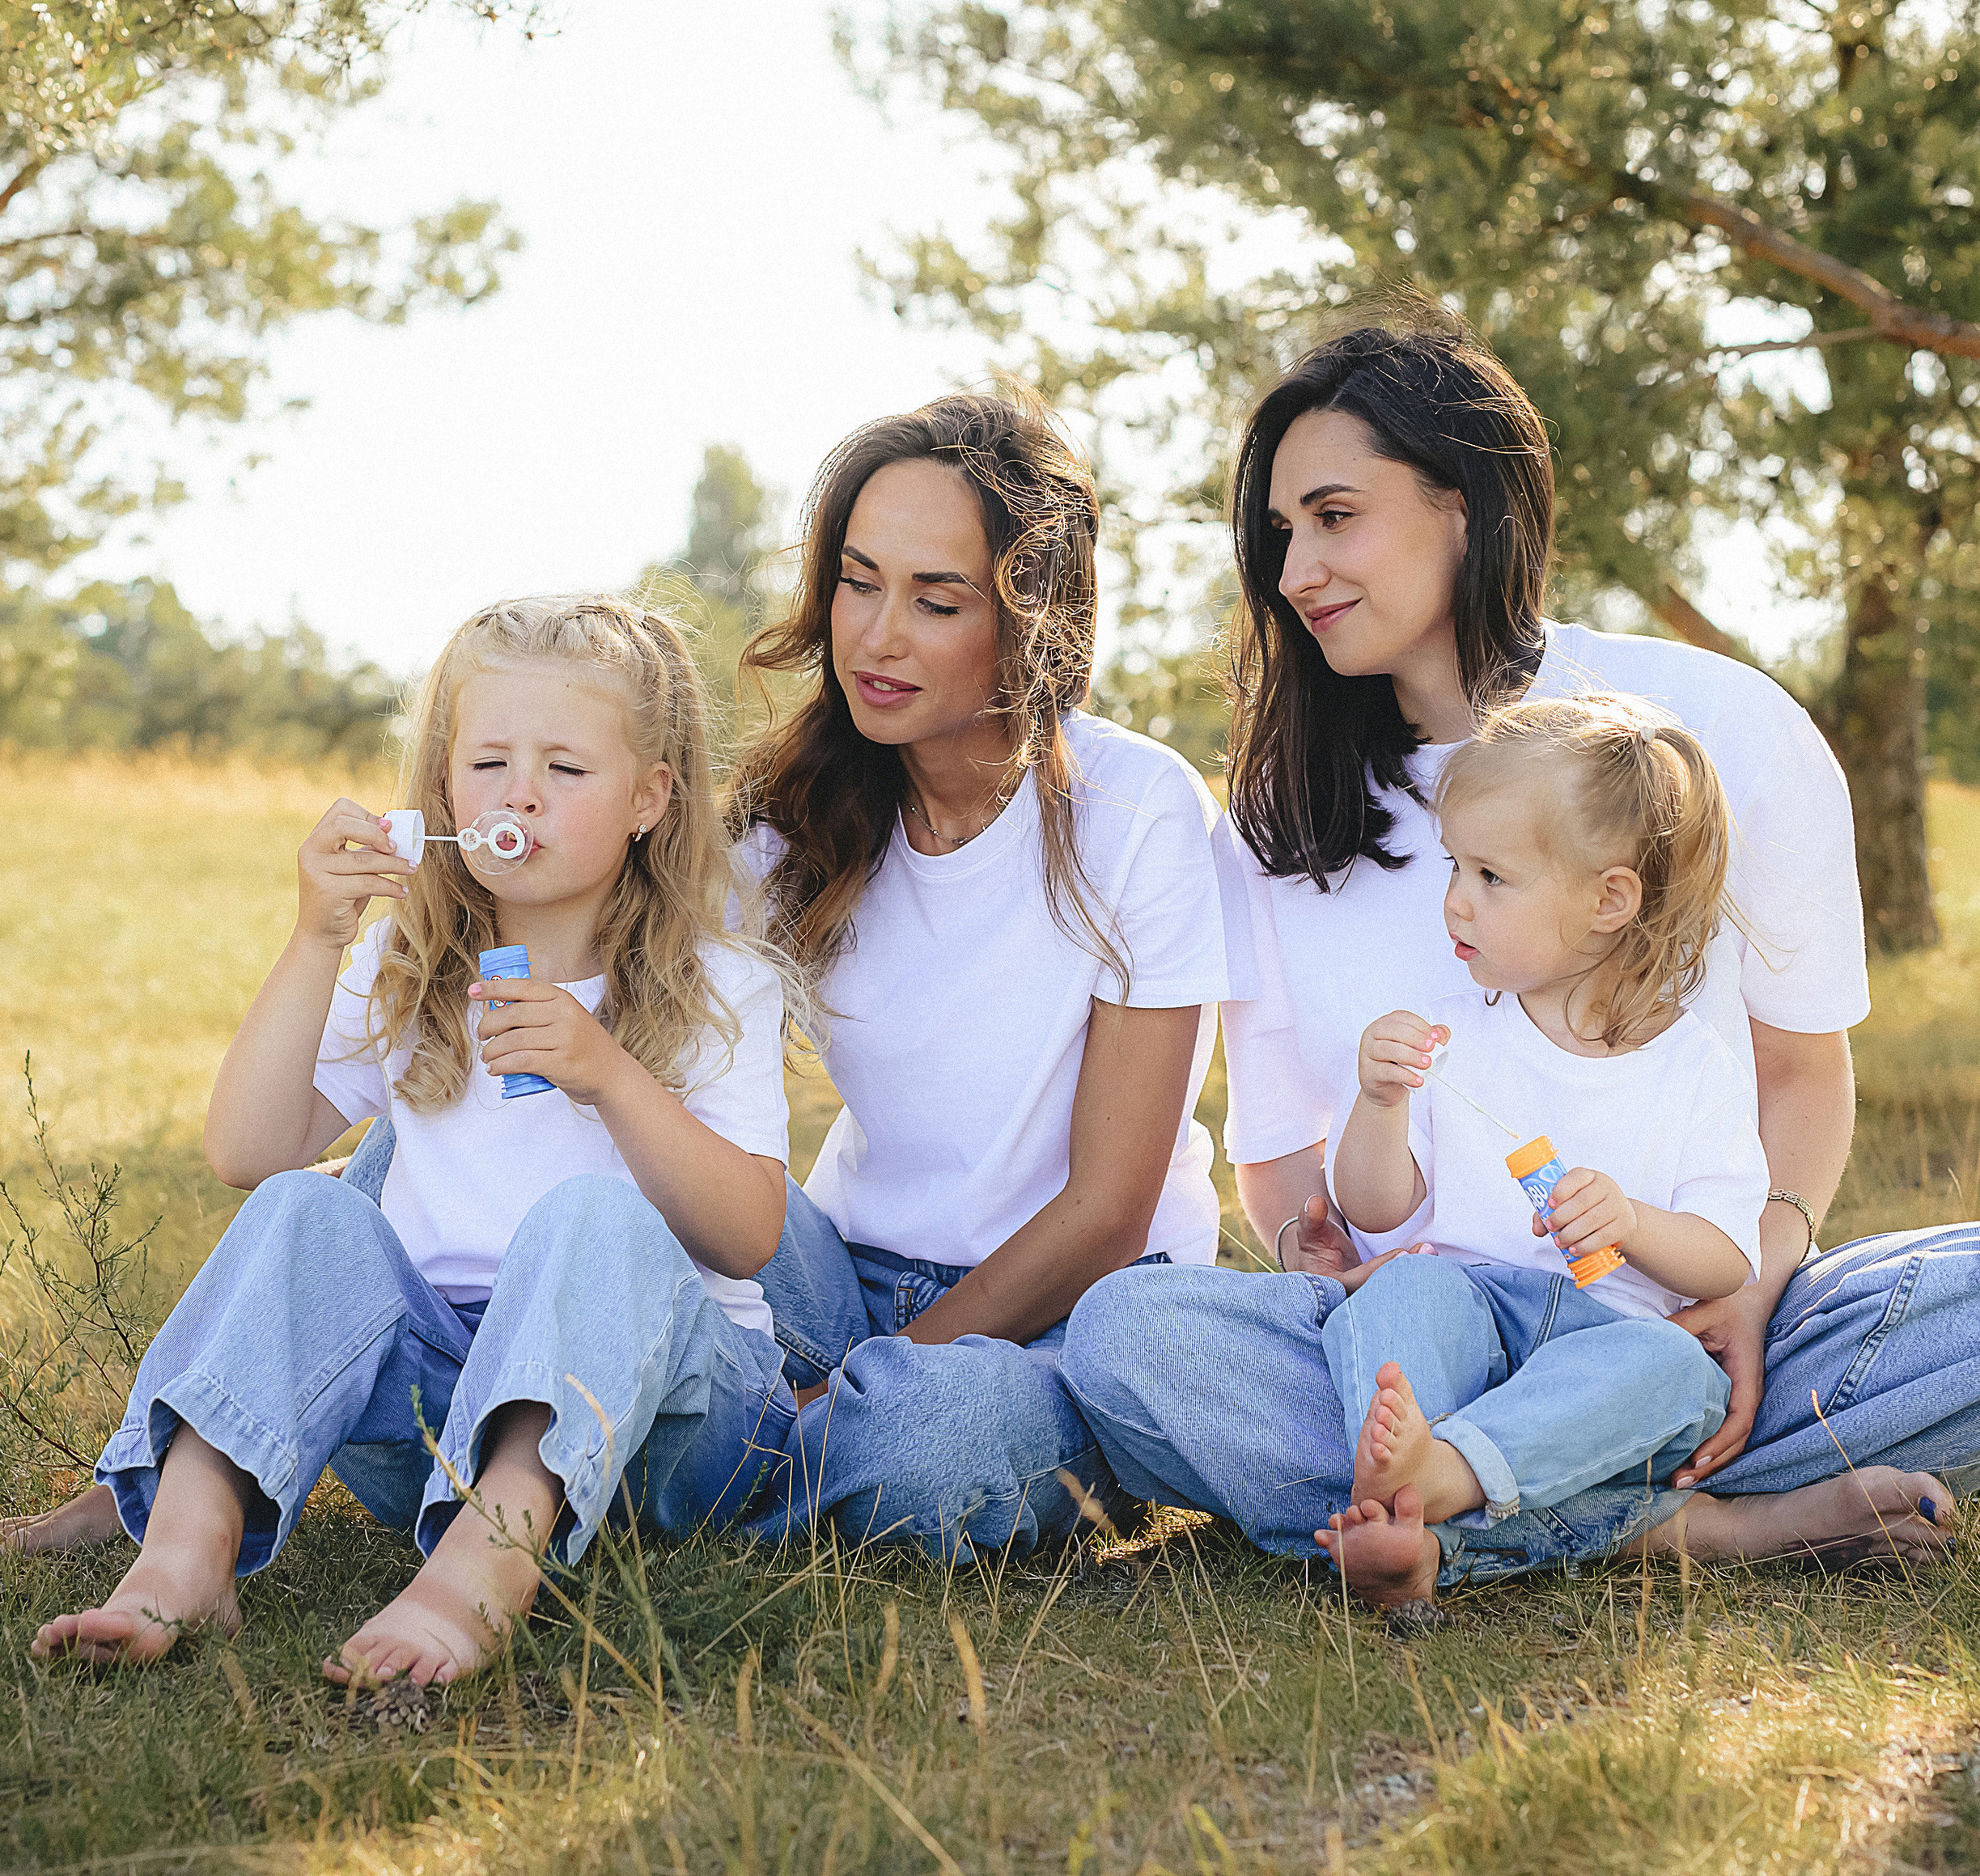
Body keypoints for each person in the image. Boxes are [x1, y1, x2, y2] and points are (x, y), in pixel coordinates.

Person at [1062, 305, 1969, 1597]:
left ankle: (1475, 1502)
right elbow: (1277, 1171)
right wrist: (1337, 1255)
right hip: (1417, 1340)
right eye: (1277, 535)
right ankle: (1673, 1522)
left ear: (1467, 504)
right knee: (1126, 1341)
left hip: (1684, 1323)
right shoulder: (1276, 824)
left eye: (1334, 516)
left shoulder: (1718, 726)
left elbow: (1801, 1079)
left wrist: (1753, 1293)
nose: (1294, 569)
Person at [19, 595, 803, 1678]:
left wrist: (608, 1076)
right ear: (443, 788)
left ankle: (478, 1578)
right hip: (443, 1413)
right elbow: (248, 1154)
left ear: (649, 798)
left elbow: (751, 1236)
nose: (519, 793)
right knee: (307, 1207)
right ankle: (185, 1557)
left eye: (566, 771)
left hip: (674, 1423)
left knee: (592, 1213)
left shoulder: (717, 979)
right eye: (488, 764)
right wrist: (314, 939)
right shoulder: (408, 958)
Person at [726, 386, 1239, 1559]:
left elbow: (1108, 1213)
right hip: (843, 1286)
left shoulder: (1136, 809)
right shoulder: (791, 818)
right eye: (858, 582)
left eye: (936, 600)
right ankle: (759, 1446)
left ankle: (725, 1458)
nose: (876, 636)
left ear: (1031, 620)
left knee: (936, 1443)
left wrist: (877, 1382)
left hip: (1070, 1322)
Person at [1315, 696, 1763, 1597]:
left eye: (1490, 875)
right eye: (1454, 865)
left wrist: (1632, 1222)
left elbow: (1724, 1260)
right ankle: (1434, 1477)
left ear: (1608, 900)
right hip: (1469, 1323)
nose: (1454, 899)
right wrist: (1376, 1102)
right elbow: (1373, 1211)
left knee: (1675, 1370)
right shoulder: (1445, 1040)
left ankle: (1435, 1482)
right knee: (1406, 1284)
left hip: (1606, 1341)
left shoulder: (1692, 1067)